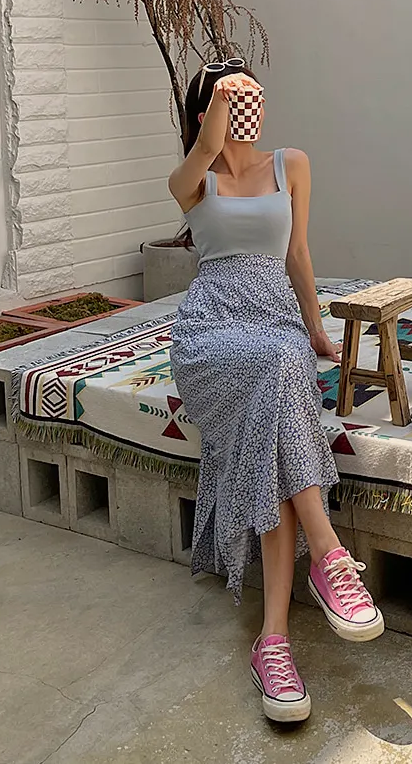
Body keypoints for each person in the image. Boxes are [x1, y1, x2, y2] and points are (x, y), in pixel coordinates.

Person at [168, 60, 384, 725]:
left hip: (276, 323)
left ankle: (274, 642)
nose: (243, 107)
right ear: (204, 110)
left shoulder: (292, 164)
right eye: (228, 96)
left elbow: (298, 254)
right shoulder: (191, 178)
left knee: (283, 375)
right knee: (278, 371)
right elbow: (205, 149)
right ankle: (328, 554)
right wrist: (217, 111)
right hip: (210, 331)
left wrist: (316, 327)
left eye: (249, 93)